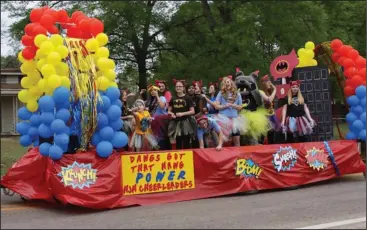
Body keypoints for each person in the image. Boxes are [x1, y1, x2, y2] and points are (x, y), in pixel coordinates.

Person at [214, 76, 247, 146]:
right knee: (221, 142)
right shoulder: (221, 93)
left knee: (237, 141)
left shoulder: (237, 94)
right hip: (223, 119)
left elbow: (240, 107)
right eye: (225, 82)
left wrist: (232, 105)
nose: (227, 83)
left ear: (231, 83)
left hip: (235, 120)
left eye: (228, 82)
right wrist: (225, 106)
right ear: (223, 85)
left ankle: (238, 156)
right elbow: (216, 106)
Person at [168, 79, 196, 149]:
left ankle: (187, 157)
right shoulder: (173, 98)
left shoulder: (188, 98)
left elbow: (192, 111)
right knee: (178, 142)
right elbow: (168, 111)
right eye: (177, 86)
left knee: (186, 141)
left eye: (180, 86)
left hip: (186, 122)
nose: (178, 88)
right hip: (176, 122)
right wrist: (172, 114)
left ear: (183, 88)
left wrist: (182, 113)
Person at [146, 84, 171, 150]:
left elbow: (162, 106)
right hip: (152, 122)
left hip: (161, 122)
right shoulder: (150, 101)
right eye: (151, 90)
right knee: (154, 141)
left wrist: (157, 96)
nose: (153, 91)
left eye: (155, 90)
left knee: (162, 140)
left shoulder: (162, 98)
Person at [259, 75, 281, 144]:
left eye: (270, 82)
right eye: (267, 82)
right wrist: (275, 90)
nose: (270, 83)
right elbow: (269, 100)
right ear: (263, 83)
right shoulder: (260, 91)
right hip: (263, 116)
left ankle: (271, 148)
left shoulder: (269, 92)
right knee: (262, 134)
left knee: (271, 133)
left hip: (270, 115)